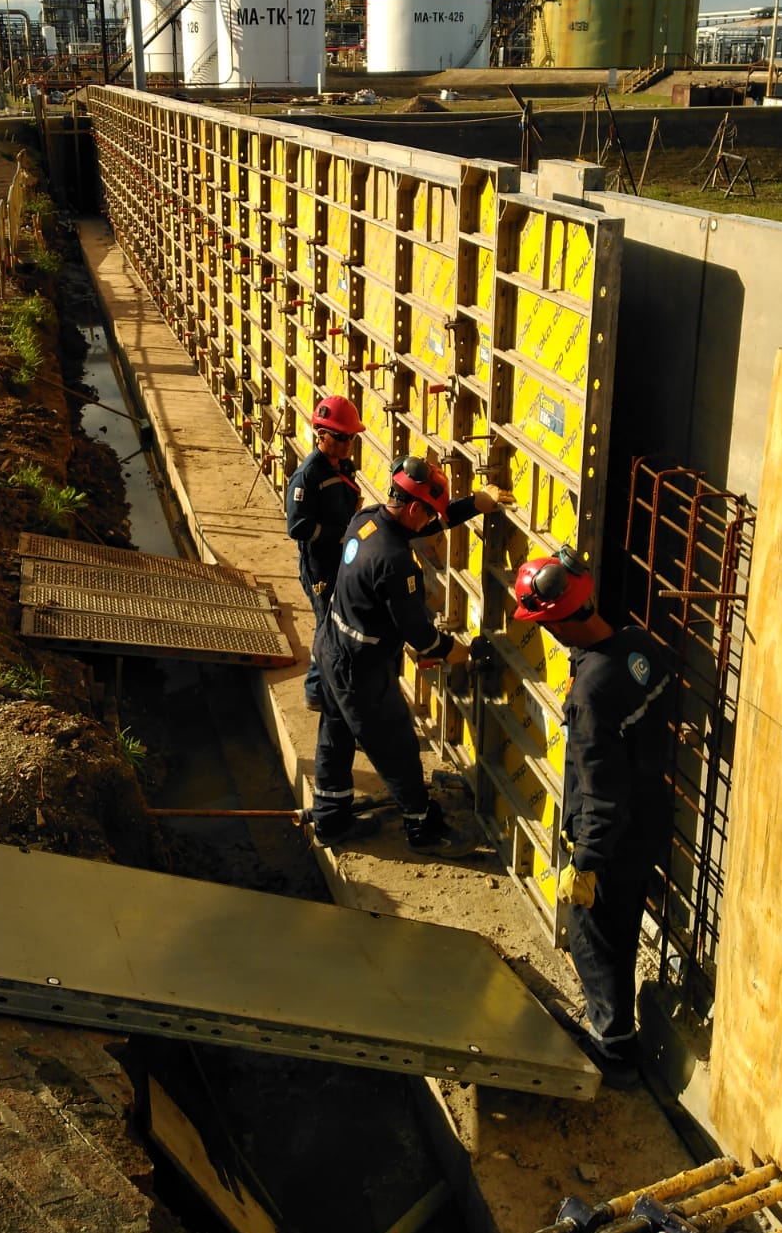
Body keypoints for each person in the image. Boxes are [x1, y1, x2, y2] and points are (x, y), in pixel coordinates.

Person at [513, 547, 672, 1089]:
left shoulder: (588, 697)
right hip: (649, 815)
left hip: (612, 840)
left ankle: (613, 1050)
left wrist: (585, 862)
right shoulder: (637, 645)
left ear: (555, 625)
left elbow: (601, 796)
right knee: (621, 928)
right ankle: (618, 1033)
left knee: (595, 937)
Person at [311, 453, 514, 857]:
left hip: (332, 647)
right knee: (396, 745)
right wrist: (453, 651)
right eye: (429, 513)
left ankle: (330, 820)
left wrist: (474, 504)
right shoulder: (395, 562)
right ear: (414, 508)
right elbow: (419, 636)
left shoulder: (367, 519)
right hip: (360, 669)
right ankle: (424, 829)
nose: (431, 522)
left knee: (335, 736)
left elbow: (424, 524)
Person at [285, 395, 364, 713]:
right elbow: (298, 526)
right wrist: (338, 533)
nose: (348, 444)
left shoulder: (344, 467)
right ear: (322, 435)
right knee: (326, 624)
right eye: (342, 437)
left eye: (352, 437)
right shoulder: (307, 476)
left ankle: (325, 686)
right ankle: (316, 690)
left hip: (341, 557)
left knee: (335, 622)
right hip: (319, 565)